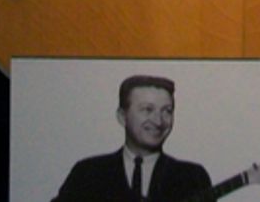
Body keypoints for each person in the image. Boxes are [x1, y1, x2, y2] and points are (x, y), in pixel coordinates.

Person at [50, 75, 211, 202]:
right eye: (147, 109)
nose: (158, 121)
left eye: (167, 111)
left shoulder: (192, 177)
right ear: (122, 116)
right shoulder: (87, 174)